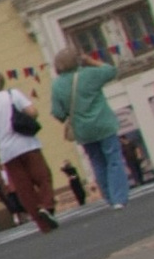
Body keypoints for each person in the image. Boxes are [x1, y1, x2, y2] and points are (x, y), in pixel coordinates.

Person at [50, 50, 133, 209]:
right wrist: (91, 61)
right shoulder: (90, 74)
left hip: (83, 130)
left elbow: (58, 113)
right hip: (104, 124)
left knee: (97, 162)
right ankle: (119, 198)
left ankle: (109, 197)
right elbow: (111, 71)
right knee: (113, 160)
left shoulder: (57, 85)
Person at [0, 71, 57, 232]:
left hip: (8, 153)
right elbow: (33, 112)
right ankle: (47, 207)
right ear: (3, 81)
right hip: (28, 144)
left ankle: (43, 224)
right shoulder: (13, 94)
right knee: (43, 178)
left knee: (24, 189)